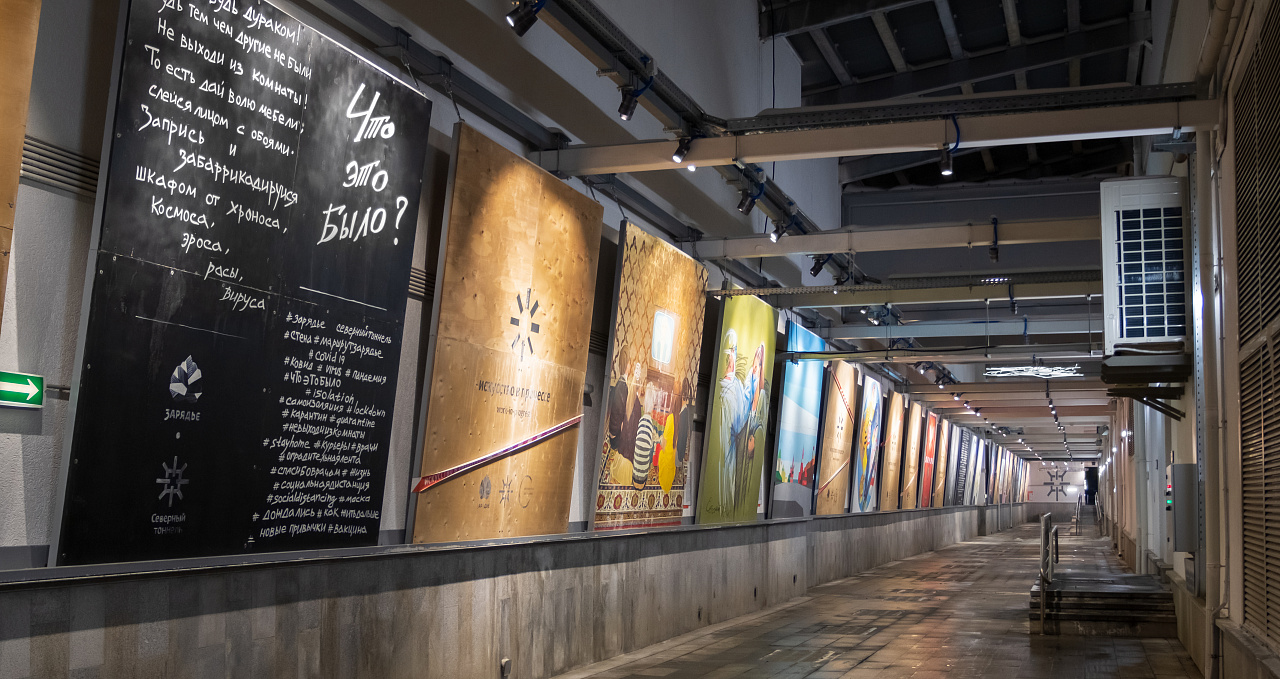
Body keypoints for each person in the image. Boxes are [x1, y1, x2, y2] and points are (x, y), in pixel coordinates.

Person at [716, 329, 766, 514]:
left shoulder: (728, 388)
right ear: (730, 359)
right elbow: (744, 406)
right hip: (728, 461)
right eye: (733, 352)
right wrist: (754, 375)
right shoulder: (731, 389)